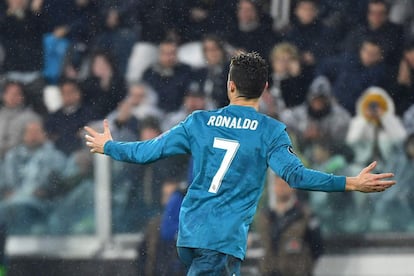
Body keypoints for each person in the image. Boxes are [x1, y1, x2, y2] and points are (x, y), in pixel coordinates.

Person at [84, 52, 396, 275]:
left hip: (190, 234)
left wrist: (109, 146)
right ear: (263, 89)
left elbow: (147, 152)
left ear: (230, 86)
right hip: (221, 239)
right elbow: (296, 176)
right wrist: (350, 182)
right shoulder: (270, 131)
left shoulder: (199, 121)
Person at [258, 174, 323, 276]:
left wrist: (304, 266)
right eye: (278, 184)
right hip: (270, 272)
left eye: (285, 185)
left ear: (293, 187)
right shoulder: (266, 215)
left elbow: (317, 247)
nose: (281, 188)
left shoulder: (305, 214)